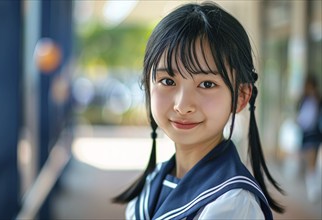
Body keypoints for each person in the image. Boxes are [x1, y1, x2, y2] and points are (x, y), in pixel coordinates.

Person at [113, 2, 284, 219]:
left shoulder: (232, 203)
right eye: (167, 80)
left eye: (206, 84)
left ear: (241, 96)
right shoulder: (154, 181)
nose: (182, 106)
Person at [297, 74, 322, 202]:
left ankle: (313, 189)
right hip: (307, 135)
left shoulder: (317, 99)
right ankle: (312, 188)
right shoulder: (304, 99)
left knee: (313, 161)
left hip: (315, 135)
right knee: (310, 162)